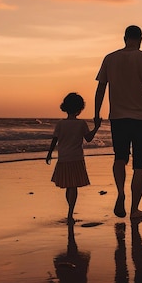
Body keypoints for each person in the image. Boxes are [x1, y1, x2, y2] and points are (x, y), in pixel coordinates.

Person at [94, 25, 142, 220]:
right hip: (141, 118)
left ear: (124, 38)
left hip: (118, 117)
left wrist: (96, 113)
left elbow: (101, 88)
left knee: (119, 157)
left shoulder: (110, 58)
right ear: (141, 39)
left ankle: (120, 193)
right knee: (140, 164)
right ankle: (134, 209)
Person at [46, 92, 101, 223]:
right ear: (79, 109)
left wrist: (49, 154)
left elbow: (55, 140)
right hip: (76, 158)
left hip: (63, 158)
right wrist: (97, 127)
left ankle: (70, 211)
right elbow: (88, 138)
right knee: (73, 186)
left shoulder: (60, 124)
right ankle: (70, 213)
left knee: (68, 186)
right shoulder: (81, 124)